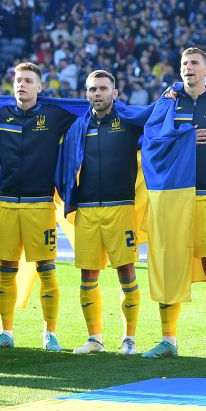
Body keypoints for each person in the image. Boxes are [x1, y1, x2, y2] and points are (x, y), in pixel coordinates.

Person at [142, 48, 206, 361]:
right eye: (184, 63)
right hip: (173, 195)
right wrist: (186, 136)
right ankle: (168, 340)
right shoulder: (169, 101)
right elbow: (151, 139)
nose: (188, 68)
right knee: (170, 265)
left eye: (194, 63)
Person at [0, 62, 76, 351]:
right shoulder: (1, 116)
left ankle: (50, 334)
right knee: (7, 268)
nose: (21, 85)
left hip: (40, 204)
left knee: (46, 267)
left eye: (28, 80)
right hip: (7, 203)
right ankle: (5, 333)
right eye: (18, 80)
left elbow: (88, 118)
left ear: (40, 87)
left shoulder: (54, 116)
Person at [64, 70, 144, 355]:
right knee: (88, 275)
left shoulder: (130, 122)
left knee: (126, 271)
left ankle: (129, 339)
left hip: (121, 208)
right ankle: (94, 339)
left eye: (102, 88)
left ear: (115, 93)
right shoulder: (78, 127)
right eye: (92, 89)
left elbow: (161, 126)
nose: (97, 94)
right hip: (86, 210)